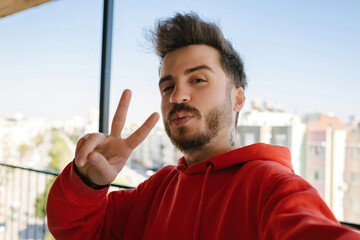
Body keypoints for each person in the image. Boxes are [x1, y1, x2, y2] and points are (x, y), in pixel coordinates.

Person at [46, 12, 360, 240]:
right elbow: (76, 231)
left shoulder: (272, 187)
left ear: (237, 99)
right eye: (167, 86)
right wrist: (88, 183)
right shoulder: (158, 188)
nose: (177, 95)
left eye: (198, 80)